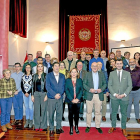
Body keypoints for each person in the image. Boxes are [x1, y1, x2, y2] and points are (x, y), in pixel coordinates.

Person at [108, 59, 132, 137]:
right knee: (114, 113)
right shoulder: (112, 73)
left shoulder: (127, 73)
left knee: (124, 113)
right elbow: (109, 85)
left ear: (122, 64)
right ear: (115, 65)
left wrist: (124, 94)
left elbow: (130, 86)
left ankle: (123, 128)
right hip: (114, 97)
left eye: (120, 63)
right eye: (117, 64)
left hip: (124, 97)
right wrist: (114, 94)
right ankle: (113, 126)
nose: (118, 65)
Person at [84, 62, 107, 134]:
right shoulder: (87, 74)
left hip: (98, 95)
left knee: (98, 112)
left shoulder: (101, 74)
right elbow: (84, 84)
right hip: (89, 94)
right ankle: (88, 126)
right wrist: (89, 89)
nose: (94, 67)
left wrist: (101, 89)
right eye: (93, 66)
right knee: (89, 112)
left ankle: (98, 126)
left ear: (98, 67)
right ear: (91, 67)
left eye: (96, 66)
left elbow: (105, 84)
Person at [46, 62, 65, 137]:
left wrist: (60, 94)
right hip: (51, 98)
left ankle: (58, 127)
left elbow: (63, 86)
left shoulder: (62, 76)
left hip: (60, 97)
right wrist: (54, 95)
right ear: (53, 67)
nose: (57, 67)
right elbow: (47, 86)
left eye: (58, 66)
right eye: (55, 66)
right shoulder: (48, 75)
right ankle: (51, 128)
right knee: (51, 114)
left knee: (59, 113)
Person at [65, 68, 83, 135]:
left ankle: (76, 127)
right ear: (70, 73)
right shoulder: (67, 80)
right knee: (70, 114)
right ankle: (71, 128)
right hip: (70, 100)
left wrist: (77, 99)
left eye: (75, 72)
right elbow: (66, 90)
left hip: (78, 100)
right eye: (72, 72)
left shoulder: (80, 80)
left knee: (77, 114)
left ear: (77, 73)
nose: (74, 73)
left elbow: (81, 90)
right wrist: (72, 99)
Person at [31, 63, 47, 131]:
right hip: (36, 94)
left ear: (43, 68)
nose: (40, 68)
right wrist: (32, 95)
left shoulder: (46, 75)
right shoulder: (34, 76)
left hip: (44, 94)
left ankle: (43, 126)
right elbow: (32, 86)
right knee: (36, 110)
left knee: (43, 110)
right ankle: (37, 125)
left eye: (41, 66)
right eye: (39, 66)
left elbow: (48, 86)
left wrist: (47, 95)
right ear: (37, 68)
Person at [125, 58, 140, 124]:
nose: (132, 63)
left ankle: (137, 117)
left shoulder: (139, 69)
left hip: (137, 90)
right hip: (129, 91)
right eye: (130, 62)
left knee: (136, 104)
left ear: (135, 62)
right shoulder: (125, 70)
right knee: (129, 104)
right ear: (129, 63)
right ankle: (128, 116)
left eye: (133, 62)